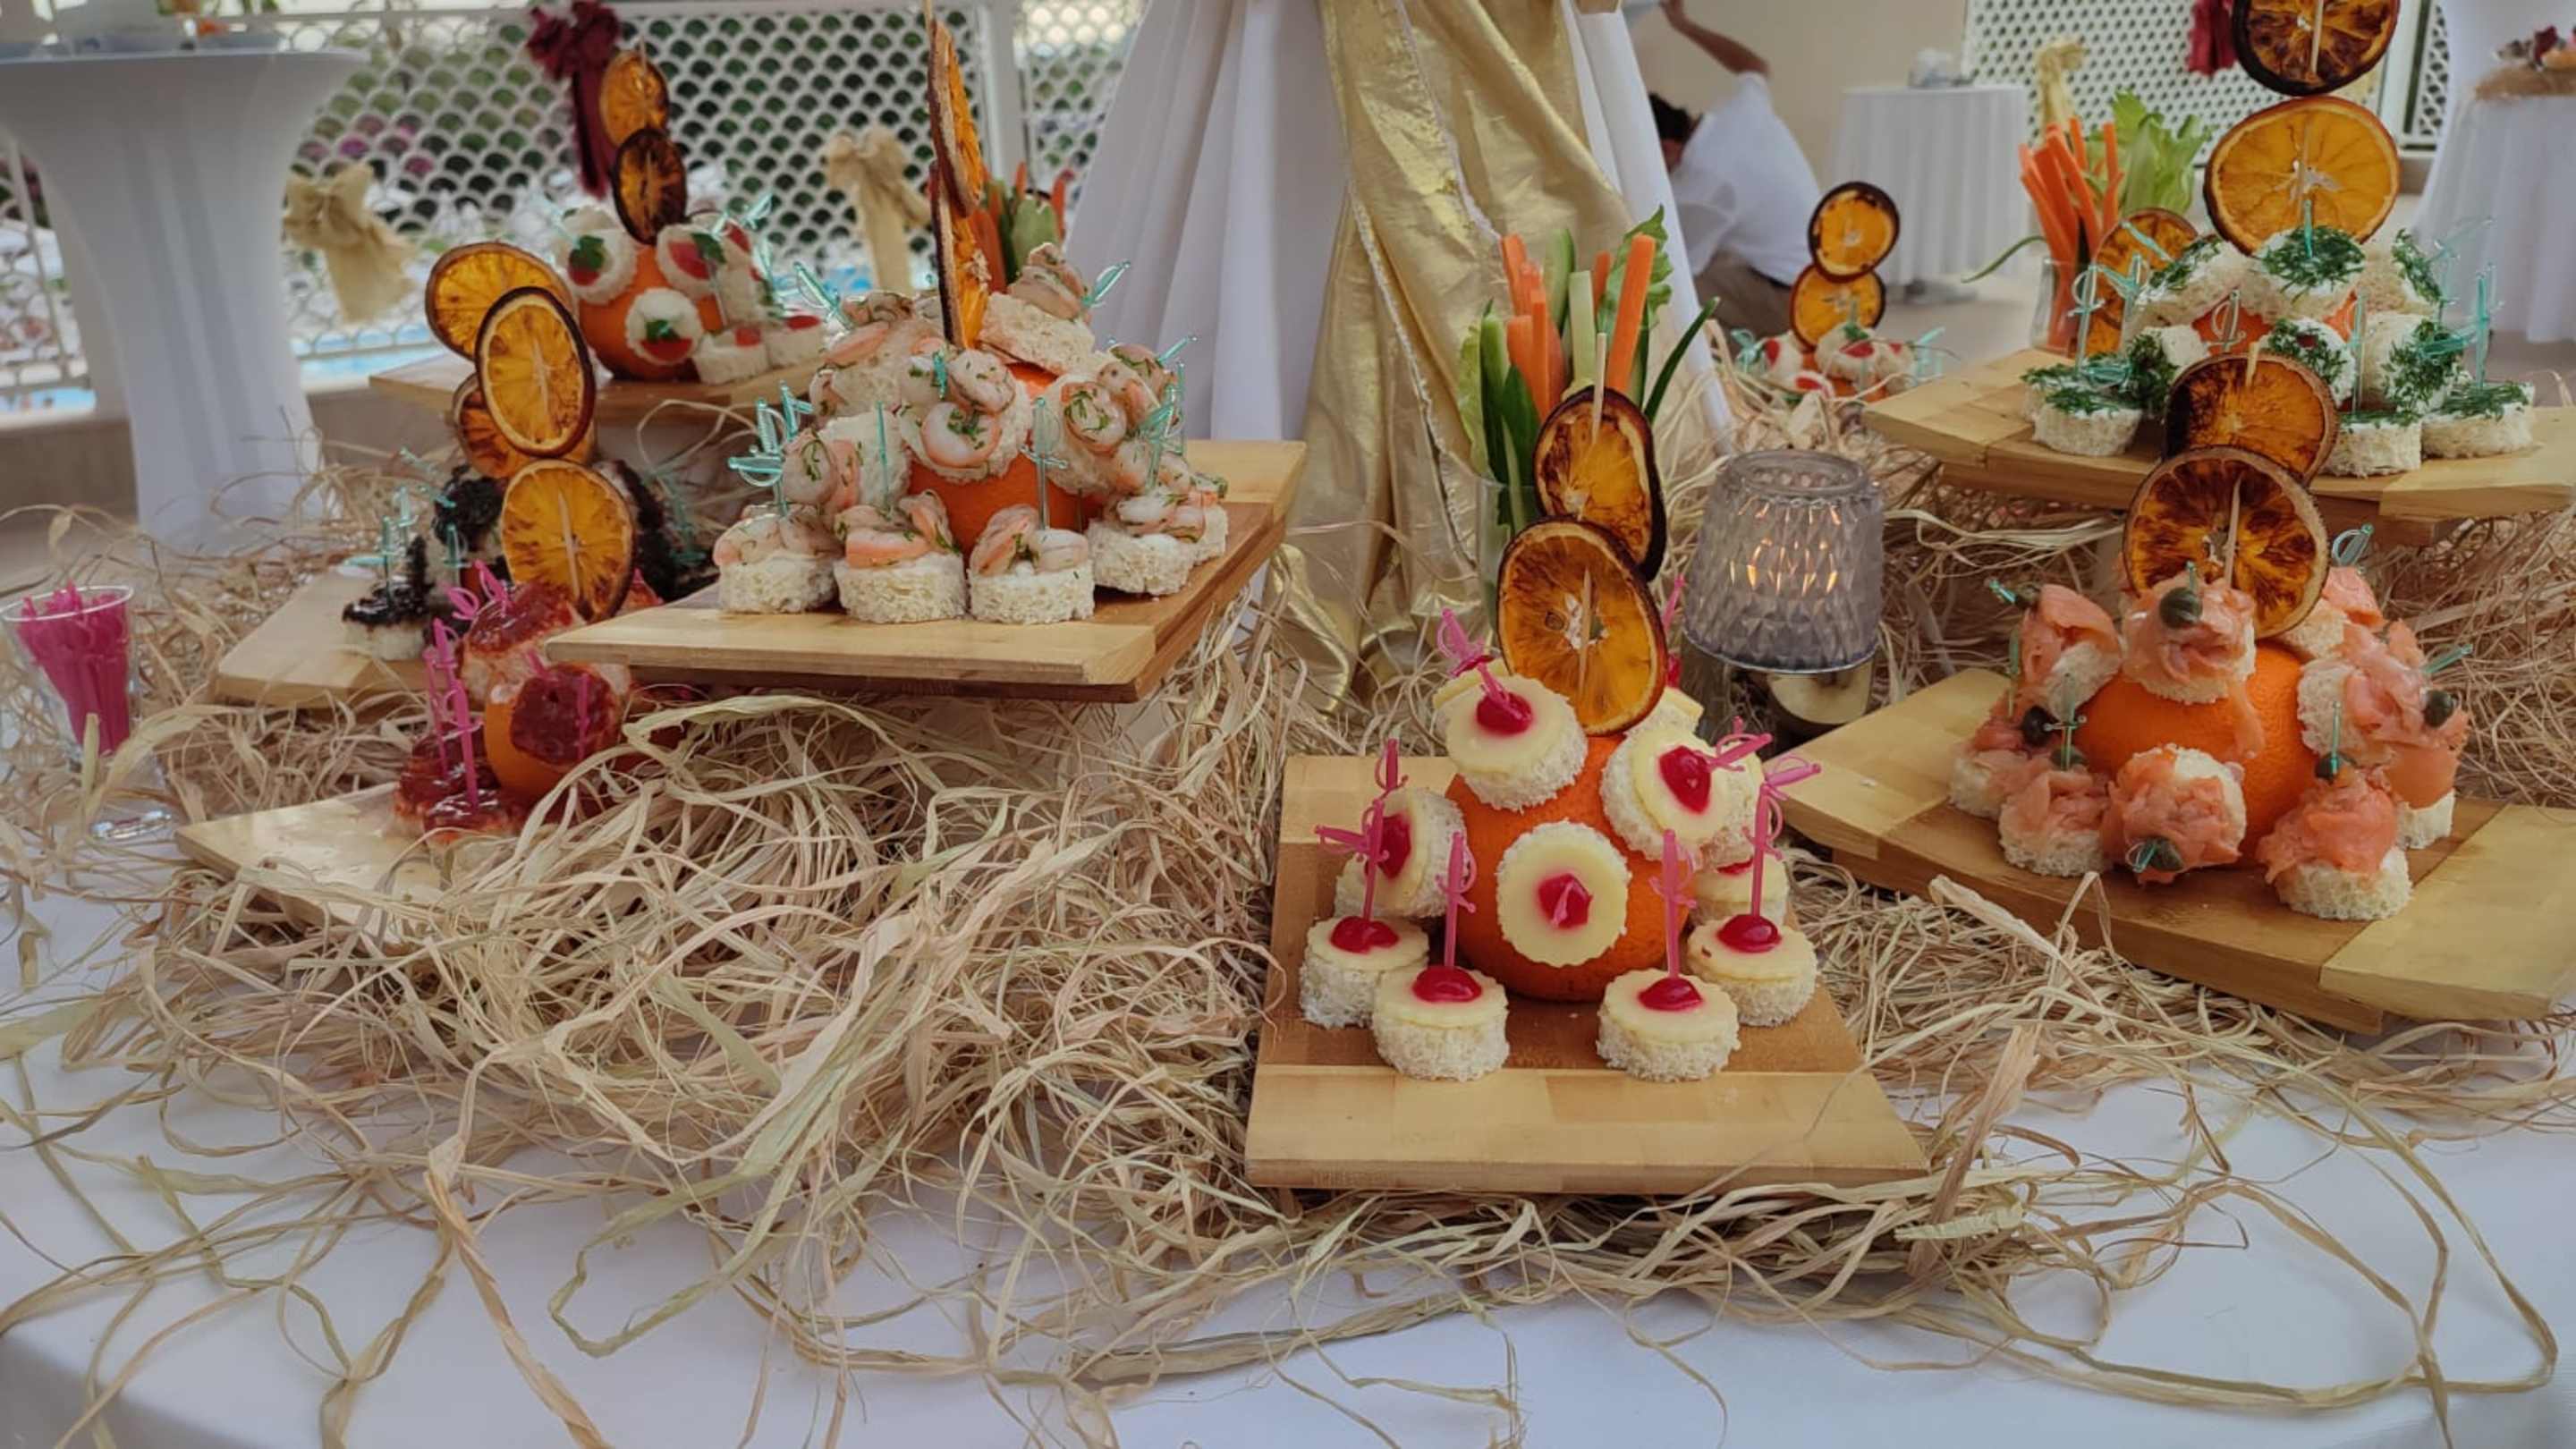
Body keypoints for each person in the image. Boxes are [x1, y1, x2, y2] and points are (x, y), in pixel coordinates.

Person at [1652, 0, 1819, 339]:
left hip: (1798, 300)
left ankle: (1742, 363)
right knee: (1717, 261)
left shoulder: (1704, 181)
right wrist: (1684, 25)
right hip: (1828, 269)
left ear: (1668, 147)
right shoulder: (1741, 110)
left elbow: (1679, 268)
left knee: (1670, 296)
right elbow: (1755, 65)